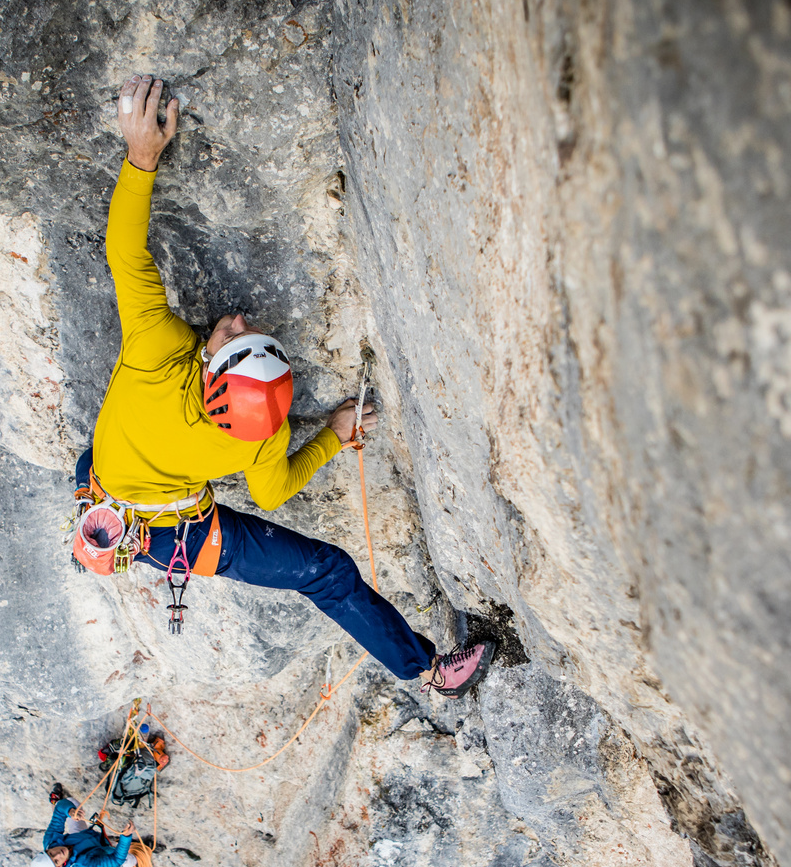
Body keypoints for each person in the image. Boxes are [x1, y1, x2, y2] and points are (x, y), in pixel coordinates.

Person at [79, 74, 497, 698]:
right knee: (324, 571)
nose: (239, 321)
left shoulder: (155, 350)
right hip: (158, 518)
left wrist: (142, 156)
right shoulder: (259, 436)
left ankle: (427, 671)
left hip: (127, 501)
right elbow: (270, 495)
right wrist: (331, 435)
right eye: (240, 337)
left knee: (321, 569)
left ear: (207, 369)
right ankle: (426, 670)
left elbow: (124, 249)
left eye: (234, 340)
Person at [29, 784, 136, 867]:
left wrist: (70, 811)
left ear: (47, 850)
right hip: (100, 855)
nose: (58, 854)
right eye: (56, 861)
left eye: (51, 854)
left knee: (71, 803)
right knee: (130, 860)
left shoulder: (50, 841)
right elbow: (116, 859)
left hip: (82, 837)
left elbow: (59, 812)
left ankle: (56, 803)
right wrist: (126, 837)